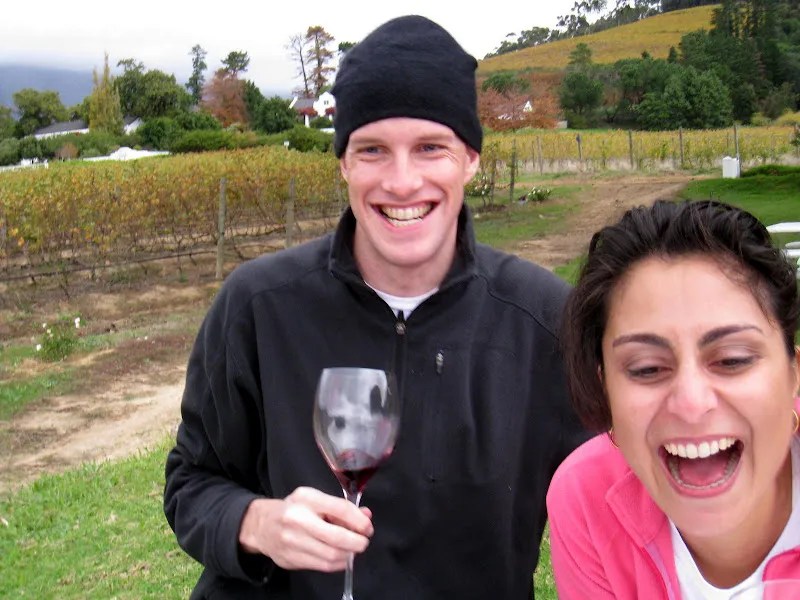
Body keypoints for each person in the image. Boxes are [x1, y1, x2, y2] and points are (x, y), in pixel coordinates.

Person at [163, 14, 587, 600]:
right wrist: (254, 523)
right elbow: (191, 481)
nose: (402, 181)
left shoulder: (547, 322)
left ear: (470, 159)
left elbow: (616, 498)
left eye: (430, 147)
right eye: (372, 150)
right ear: (343, 163)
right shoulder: (258, 306)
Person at [547, 199, 800, 599]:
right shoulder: (586, 497)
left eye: (732, 359)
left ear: (793, 375)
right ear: (606, 389)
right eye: (647, 368)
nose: (692, 403)